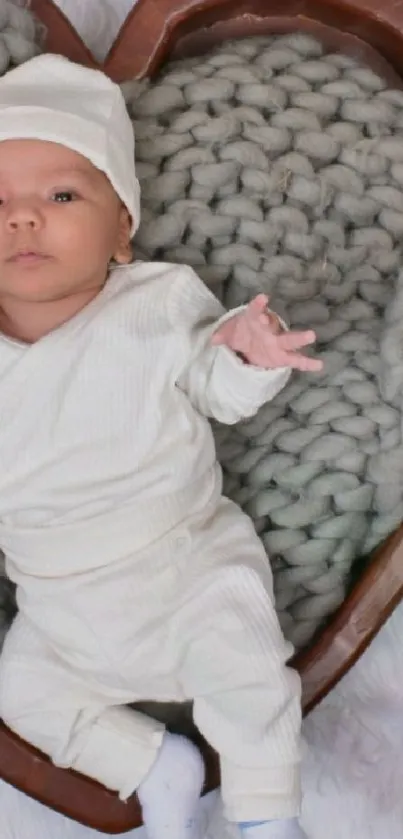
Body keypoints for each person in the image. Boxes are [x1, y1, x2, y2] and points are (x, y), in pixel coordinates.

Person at [0, 54, 323, 839]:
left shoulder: (155, 301)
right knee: (19, 694)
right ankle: (153, 765)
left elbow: (213, 384)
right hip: (57, 603)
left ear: (121, 231)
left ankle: (264, 813)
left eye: (62, 194)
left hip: (183, 562)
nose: (22, 217)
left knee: (247, 676)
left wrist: (247, 352)